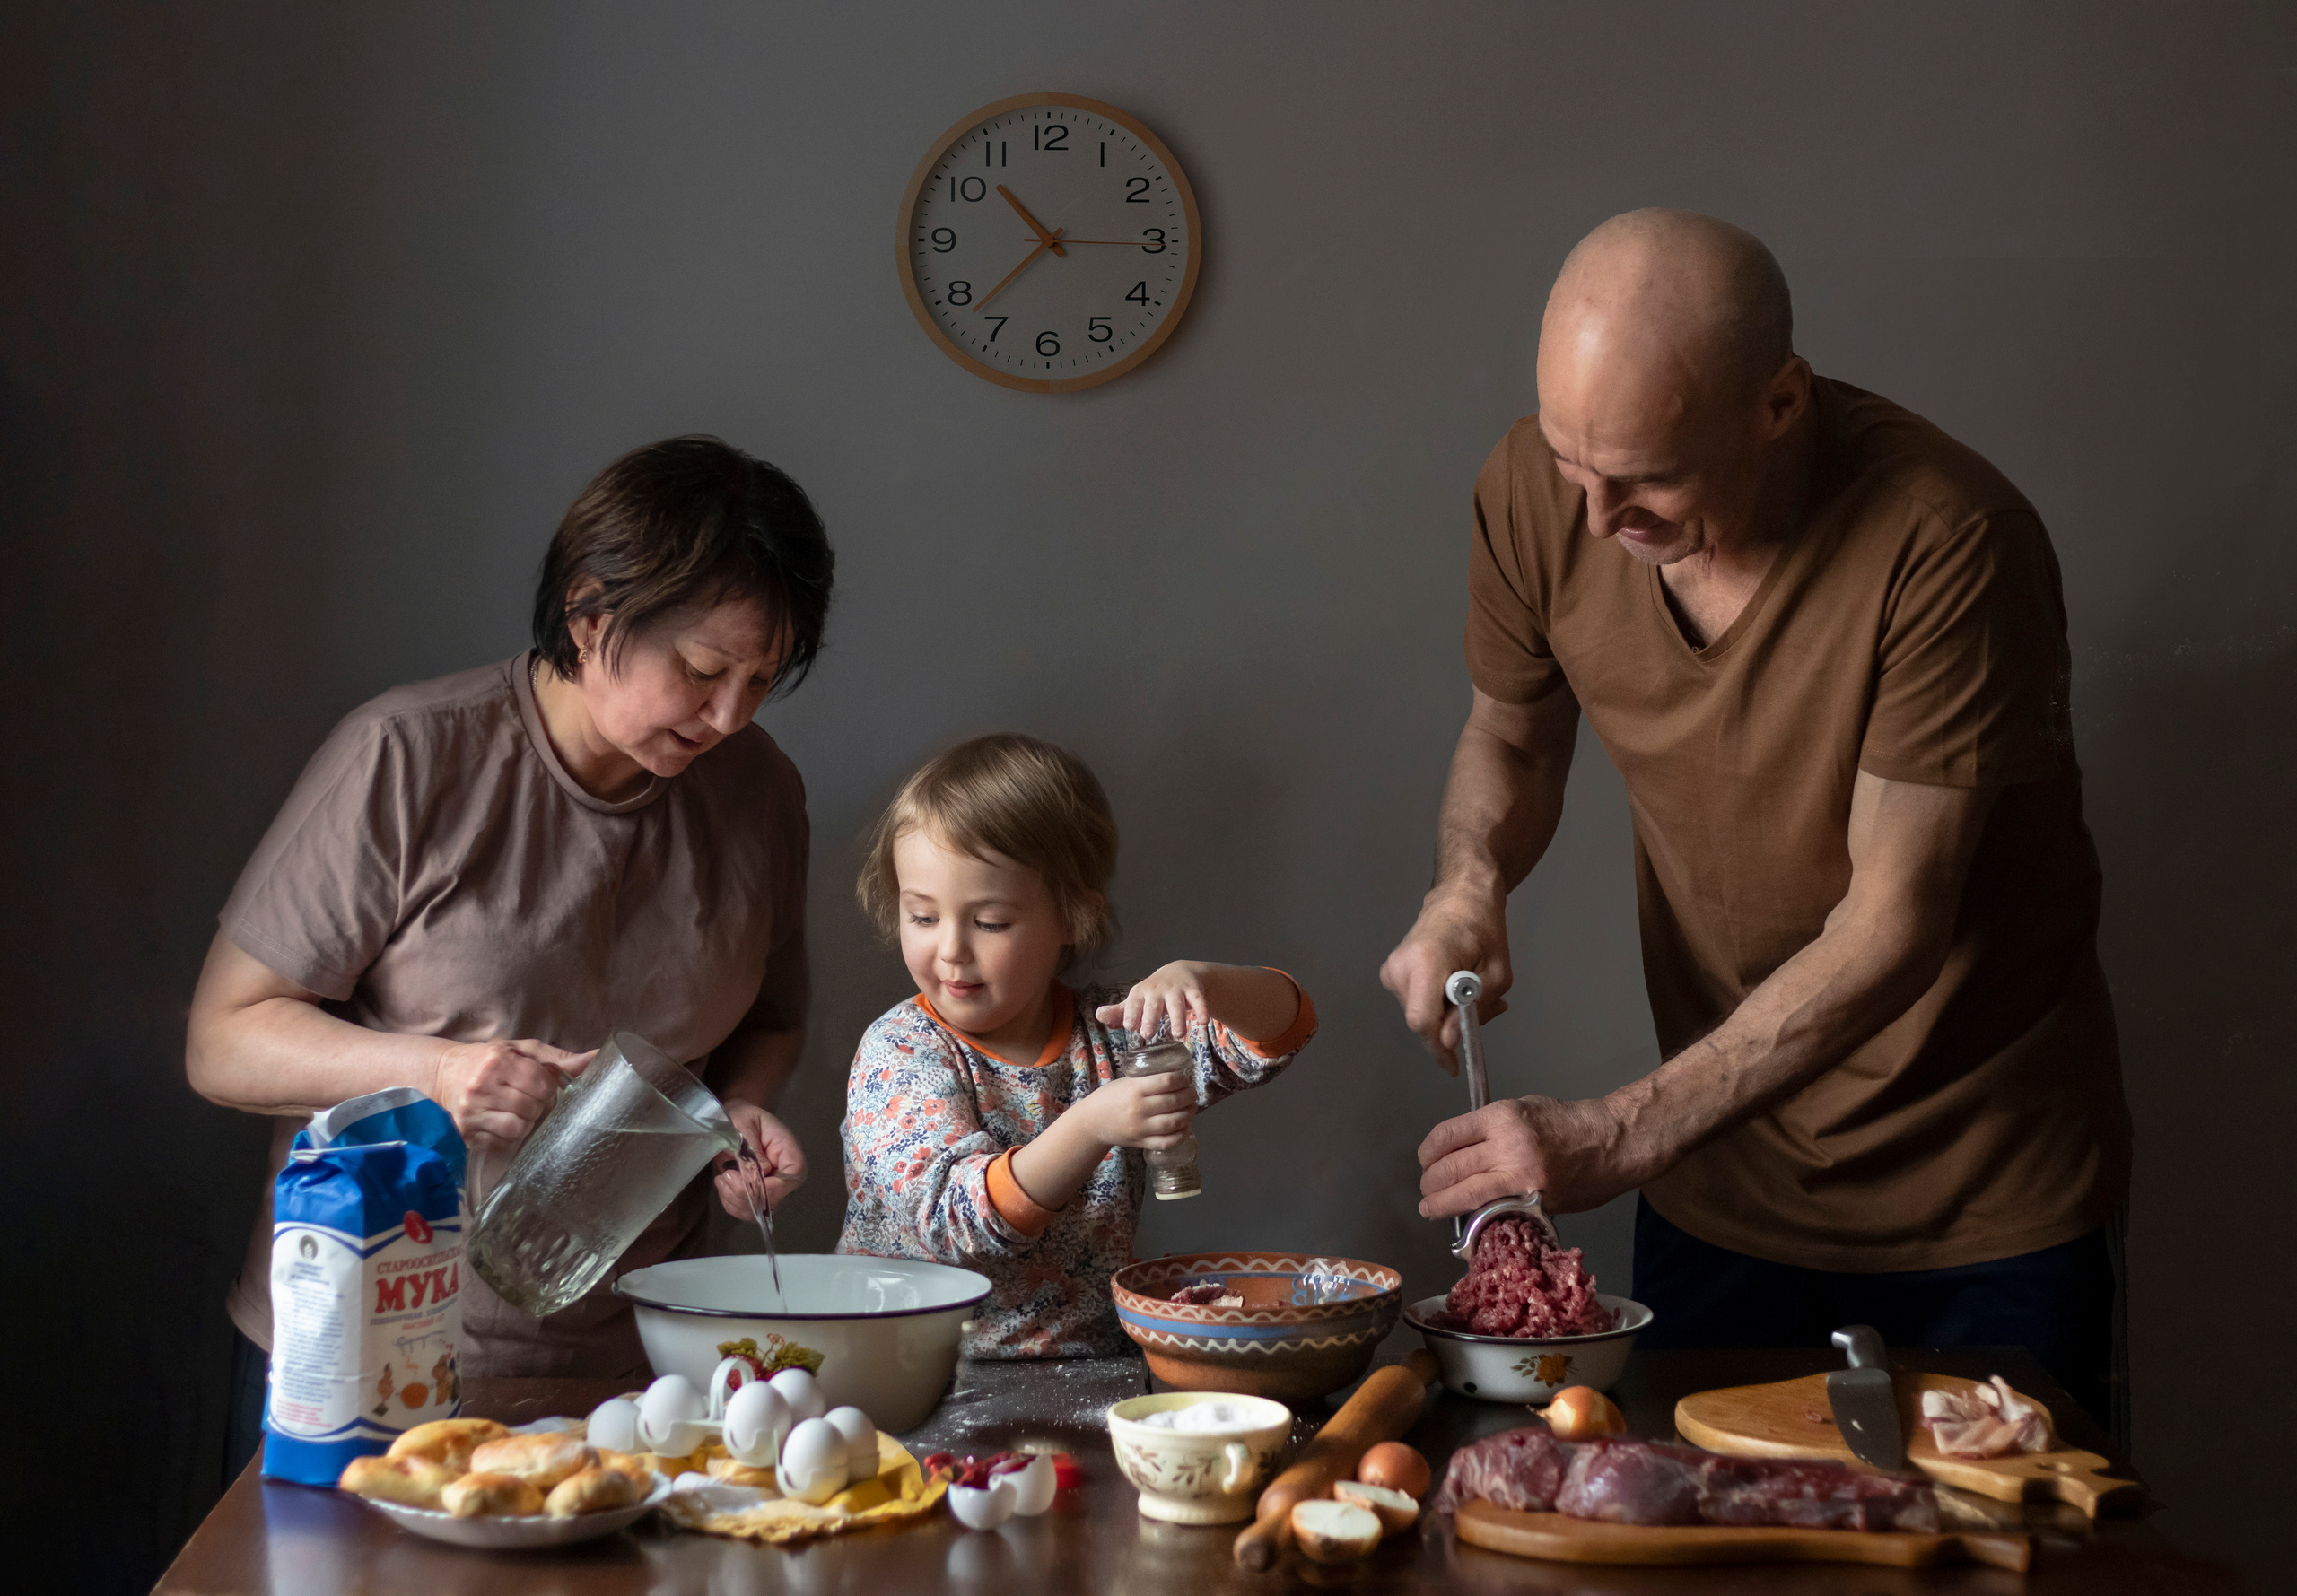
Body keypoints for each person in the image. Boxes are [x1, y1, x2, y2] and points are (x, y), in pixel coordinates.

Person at [1381, 210, 2132, 1426]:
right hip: (1715, 1180)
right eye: (1575, 465)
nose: (1593, 518)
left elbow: (1892, 924)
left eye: (1644, 477)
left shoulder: (1948, 543)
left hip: (1976, 1197)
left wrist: (1616, 1132)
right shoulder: (1541, 488)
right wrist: (1467, 880)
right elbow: (1512, 733)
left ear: (1781, 402)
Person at [188, 436, 833, 1479]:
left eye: (761, 679)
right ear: (589, 616)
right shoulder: (408, 755)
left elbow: (767, 1016)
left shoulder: (759, 792)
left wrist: (742, 1109)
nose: (730, 716)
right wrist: (437, 1072)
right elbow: (222, 1043)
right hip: (370, 1362)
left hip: (646, 1373)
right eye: (704, 671)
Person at [836, 734, 1318, 1356]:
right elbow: (957, 1225)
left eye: (989, 922)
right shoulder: (898, 1054)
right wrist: (1092, 1124)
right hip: (915, 1377)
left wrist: (1206, 982)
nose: (951, 948)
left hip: (1092, 1372)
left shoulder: (1116, 1030)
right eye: (923, 916)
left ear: (1071, 917)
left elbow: (1280, 1031)